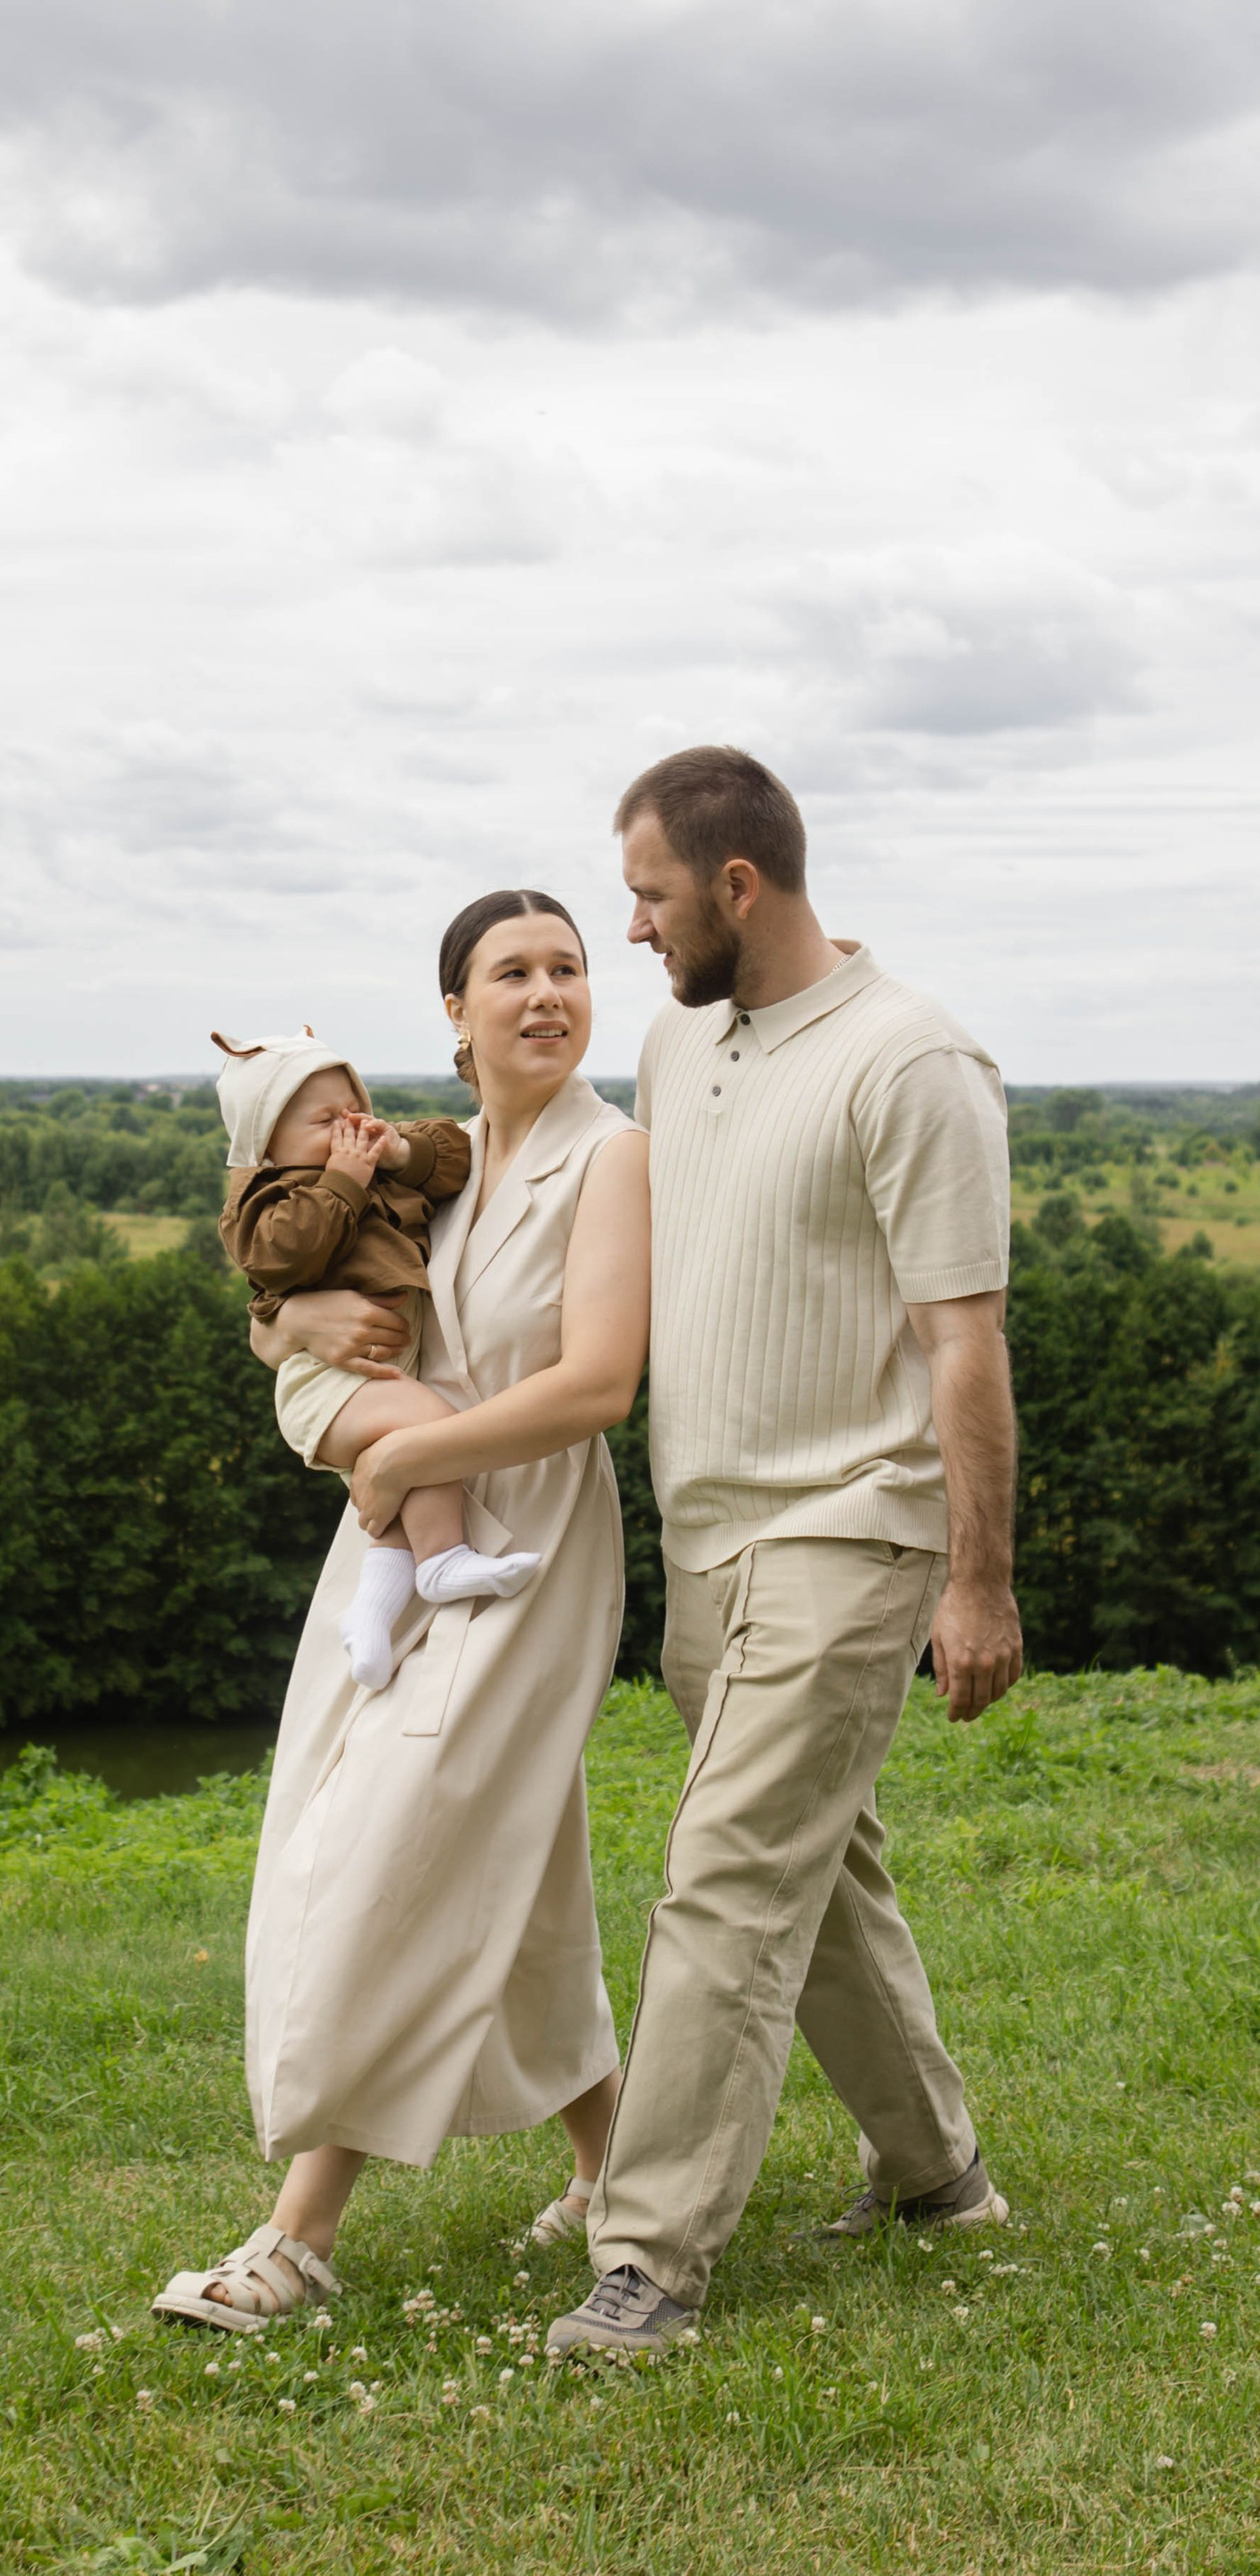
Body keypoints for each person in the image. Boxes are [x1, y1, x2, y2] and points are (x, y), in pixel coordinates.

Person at [546, 746, 1023, 2364]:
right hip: (709, 1538)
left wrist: (977, 1580)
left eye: (651, 896)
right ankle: (938, 2173)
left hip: (852, 1530)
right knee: (819, 1883)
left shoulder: (913, 1061)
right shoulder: (689, 1044)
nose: (632, 932)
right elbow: (601, 1201)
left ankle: (651, 2258)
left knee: (730, 1883)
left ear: (737, 886)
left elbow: (964, 1344)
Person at [151, 891, 650, 2331]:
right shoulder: (443, 1165)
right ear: (454, 1013)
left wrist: (410, 1454)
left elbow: (601, 1384)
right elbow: (314, 1282)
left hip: (527, 1534)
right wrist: (282, 1327)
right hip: (399, 1530)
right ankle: (616, 2164)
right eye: (513, 972)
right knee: (510, 1849)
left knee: (402, 1838)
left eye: (567, 968)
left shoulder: (611, 1158)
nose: (547, 994)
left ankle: (298, 2241)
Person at [211, 1027, 542, 1690]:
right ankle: (444, 1559)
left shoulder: (376, 1167)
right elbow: (287, 1257)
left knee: (400, 1498)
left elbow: (454, 1156)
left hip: (375, 1377)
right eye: (324, 1120)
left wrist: (398, 1151)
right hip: (324, 1385)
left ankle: (371, 1619)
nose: (349, 1128)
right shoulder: (268, 1201)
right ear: (267, 1142)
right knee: (432, 1427)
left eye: (356, 1109)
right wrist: (343, 1181)